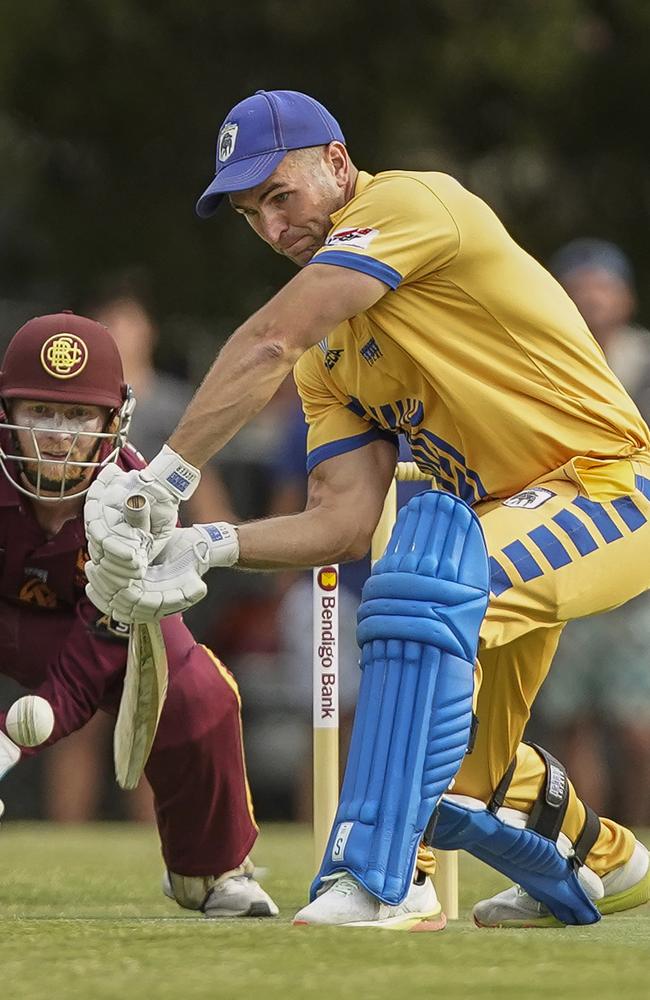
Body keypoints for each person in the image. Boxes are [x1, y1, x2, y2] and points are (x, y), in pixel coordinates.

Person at [83, 90, 650, 931]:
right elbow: (343, 522)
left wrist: (164, 476)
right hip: (489, 521)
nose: (274, 228)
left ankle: (389, 878)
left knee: (419, 589)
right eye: (251, 214)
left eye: (282, 196)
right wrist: (208, 543)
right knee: (466, 776)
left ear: (338, 165)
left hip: (608, 486)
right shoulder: (333, 361)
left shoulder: (409, 205)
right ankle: (609, 859)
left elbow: (270, 338)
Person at [0, 311, 278, 919]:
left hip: (96, 630)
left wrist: (11, 742)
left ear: (112, 419)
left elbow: (96, 648)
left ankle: (208, 869)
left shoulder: (134, 498)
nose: (58, 436)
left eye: (76, 416)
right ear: (9, 413)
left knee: (199, 691)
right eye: (39, 412)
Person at [530, 240, 650, 823]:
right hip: (568, 550)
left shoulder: (645, 362)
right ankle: (586, 843)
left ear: (625, 296)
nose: (591, 297)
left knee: (636, 724)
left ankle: (639, 843)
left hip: (640, 563)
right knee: (572, 720)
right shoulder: (548, 364)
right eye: (579, 286)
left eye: (602, 284)